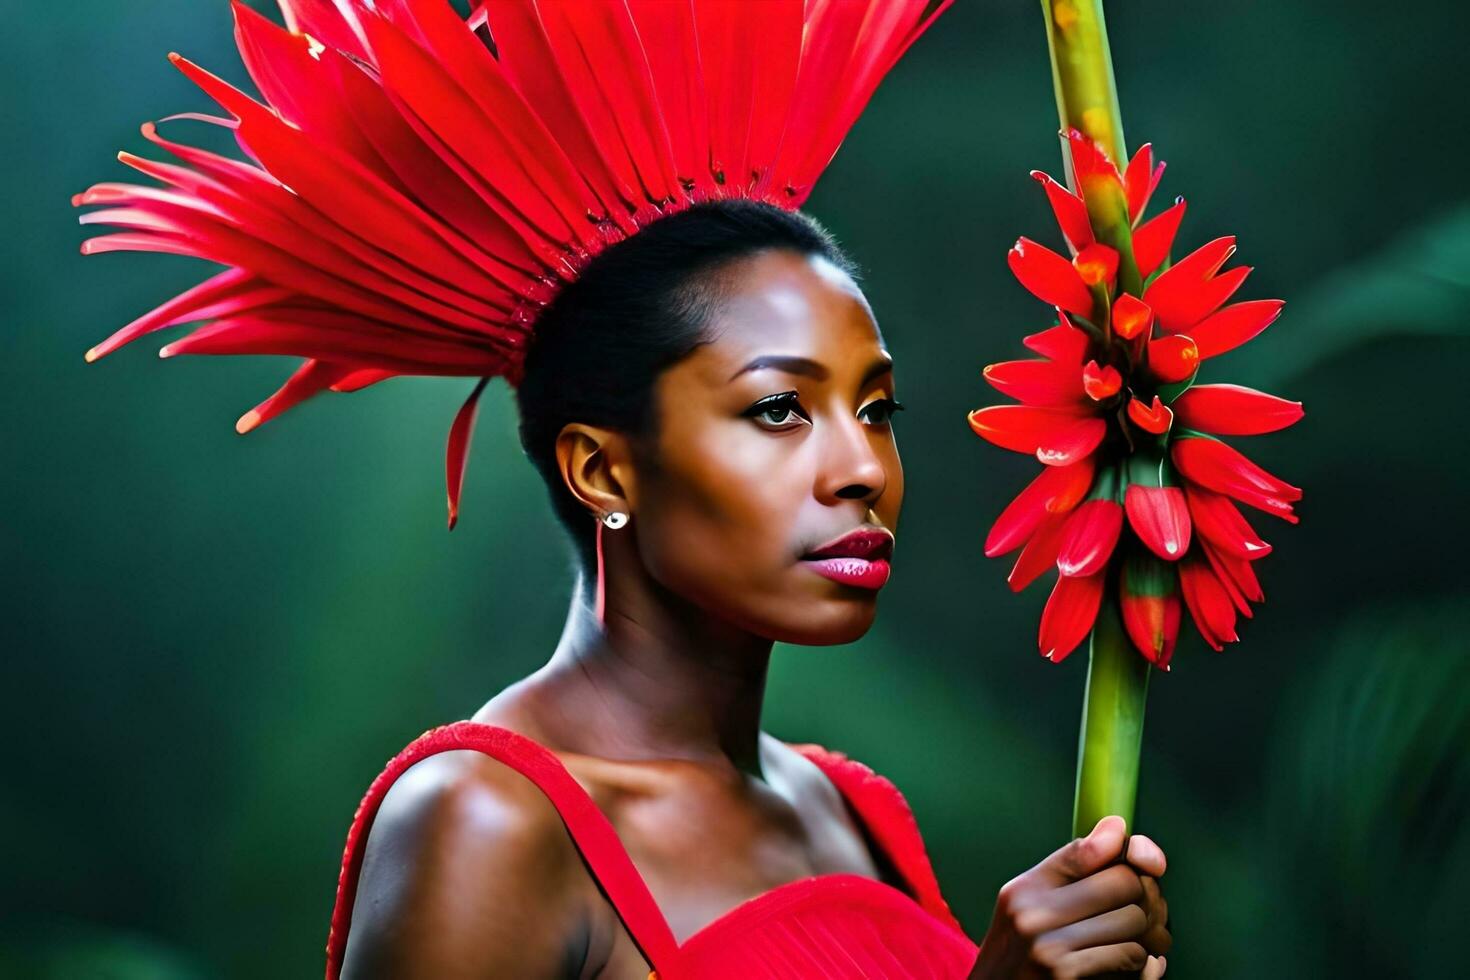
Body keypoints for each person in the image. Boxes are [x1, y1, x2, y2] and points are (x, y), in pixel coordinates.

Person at [72, 2, 1171, 977]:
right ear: (603, 467)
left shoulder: (856, 810)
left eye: (876, 409)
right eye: (780, 408)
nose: (862, 468)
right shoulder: (488, 825)